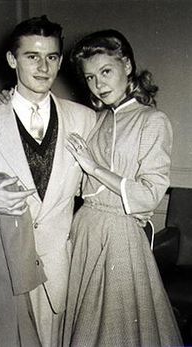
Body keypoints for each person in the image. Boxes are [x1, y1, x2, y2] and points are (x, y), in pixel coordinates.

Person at [0, 16, 96, 347]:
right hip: (0, 271)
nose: (43, 66)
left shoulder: (87, 119)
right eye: (32, 56)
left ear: (61, 61)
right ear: (12, 59)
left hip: (61, 273)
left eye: (51, 57)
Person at [62, 30, 183, 346]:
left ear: (127, 65)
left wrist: (95, 168)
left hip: (120, 237)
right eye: (90, 77)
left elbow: (149, 194)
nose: (98, 84)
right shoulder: (95, 119)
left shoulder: (152, 120)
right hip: (84, 229)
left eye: (105, 71)